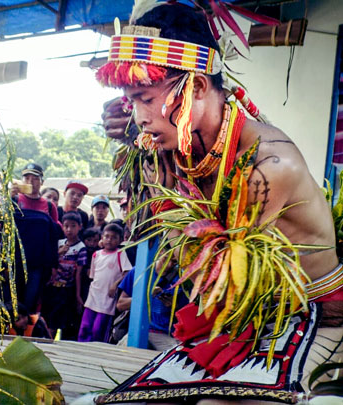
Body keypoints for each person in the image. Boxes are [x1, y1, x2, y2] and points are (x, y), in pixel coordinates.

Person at [95, 3, 343, 404]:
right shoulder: (178, 146)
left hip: (311, 317)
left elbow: (205, 274)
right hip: (241, 314)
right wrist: (147, 146)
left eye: (143, 98)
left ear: (193, 87)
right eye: (130, 103)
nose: (138, 117)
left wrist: (154, 163)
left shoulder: (269, 164)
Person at [78, 223, 132, 342]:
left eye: (114, 237)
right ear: (102, 237)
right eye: (107, 236)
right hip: (93, 296)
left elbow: (127, 272)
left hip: (107, 298)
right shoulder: (96, 255)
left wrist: (115, 284)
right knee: (85, 327)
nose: (109, 240)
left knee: (98, 329)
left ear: (120, 240)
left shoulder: (120, 253)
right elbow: (93, 276)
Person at [115, 267, 187, 351]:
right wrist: (146, 296)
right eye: (166, 259)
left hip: (165, 333)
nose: (169, 264)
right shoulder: (139, 270)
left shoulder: (181, 276)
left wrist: (174, 305)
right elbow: (121, 305)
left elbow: (188, 313)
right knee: (124, 349)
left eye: (174, 262)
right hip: (138, 329)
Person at [42, 212, 87, 339]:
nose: (69, 229)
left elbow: (79, 273)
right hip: (52, 287)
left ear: (80, 227)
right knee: (50, 319)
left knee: (63, 321)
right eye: (66, 226)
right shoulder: (58, 243)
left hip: (67, 289)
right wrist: (58, 253)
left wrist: (78, 296)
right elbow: (49, 262)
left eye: (73, 226)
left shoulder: (81, 248)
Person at [78, 227, 101, 303]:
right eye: (89, 240)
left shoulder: (100, 253)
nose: (92, 244)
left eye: (95, 241)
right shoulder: (80, 251)